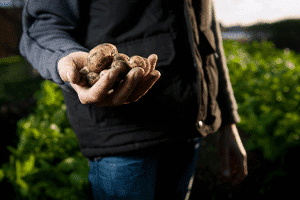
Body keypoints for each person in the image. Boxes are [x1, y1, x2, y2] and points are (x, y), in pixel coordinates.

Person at [19, 0, 248, 199]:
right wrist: (65, 60)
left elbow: (206, 30)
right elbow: (43, 26)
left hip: (187, 130)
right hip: (123, 137)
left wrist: (227, 117)